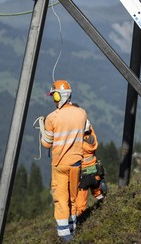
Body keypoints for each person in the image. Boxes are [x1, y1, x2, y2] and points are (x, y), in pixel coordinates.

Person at [41, 80, 96, 242]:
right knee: (73, 197)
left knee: (61, 199)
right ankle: (73, 228)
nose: (53, 99)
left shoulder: (52, 117)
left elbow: (46, 144)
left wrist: (43, 130)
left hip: (59, 164)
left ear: (59, 96)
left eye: (54, 96)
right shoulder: (82, 113)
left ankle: (65, 235)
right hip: (76, 163)